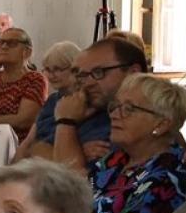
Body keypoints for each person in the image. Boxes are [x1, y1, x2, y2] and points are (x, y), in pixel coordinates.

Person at [77, 75, 186, 213]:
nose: (114, 114)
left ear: (161, 124)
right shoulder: (115, 161)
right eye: (115, 106)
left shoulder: (167, 180)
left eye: (129, 109)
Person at [50, 36, 150, 172]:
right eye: (83, 76)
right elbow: (36, 149)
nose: (88, 83)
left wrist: (65, 122)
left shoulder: (145, 120)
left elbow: (68, 182)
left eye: (99, 72)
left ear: (133, 73)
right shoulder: (84, 109)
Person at [15, 41, 83, 161]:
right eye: (47, 69)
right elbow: (28, 141)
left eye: (57, 69)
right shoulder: (52, 100)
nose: (51, 75)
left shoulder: (83, 103)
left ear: (75, 69)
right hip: (36, 161)